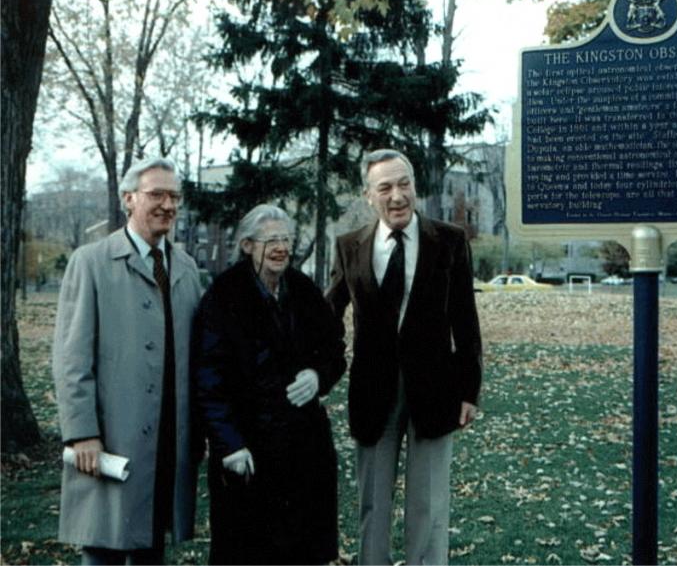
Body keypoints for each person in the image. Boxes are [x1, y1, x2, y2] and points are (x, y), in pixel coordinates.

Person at [326, 149, 483, 565]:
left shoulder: (448, 241)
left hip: (435, 391)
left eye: (404, 184)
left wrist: (469, 391)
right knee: (372, 505)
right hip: (372, 393)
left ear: (415, 186)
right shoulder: (348, 247)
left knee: (429, 507)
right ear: (368, 195)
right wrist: (316, 366)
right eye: (385, 187)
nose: (397, 196)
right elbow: (328, 316)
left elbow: (465, 320)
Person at [52, 157, 203, 565]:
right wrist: (82, 432)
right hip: (111, 438)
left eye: (174, 196)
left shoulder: (187, 268)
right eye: (157, 194)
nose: (168, 205)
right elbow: (71, 357)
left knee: (151, 546)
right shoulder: (91, 262)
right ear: (128, 199)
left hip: (168, 442)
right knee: (103, 547)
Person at [193, 204, 345, 565]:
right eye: (271, 240)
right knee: (249, 551)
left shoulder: (303, 289)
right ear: (247, 245)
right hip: (249, 451)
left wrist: (318, 376)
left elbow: (335, 349)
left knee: (304, 550)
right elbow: (208, 377)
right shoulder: (224, 295)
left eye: (286, 239)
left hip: (304, 449)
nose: (281, 248)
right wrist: (229, 445)